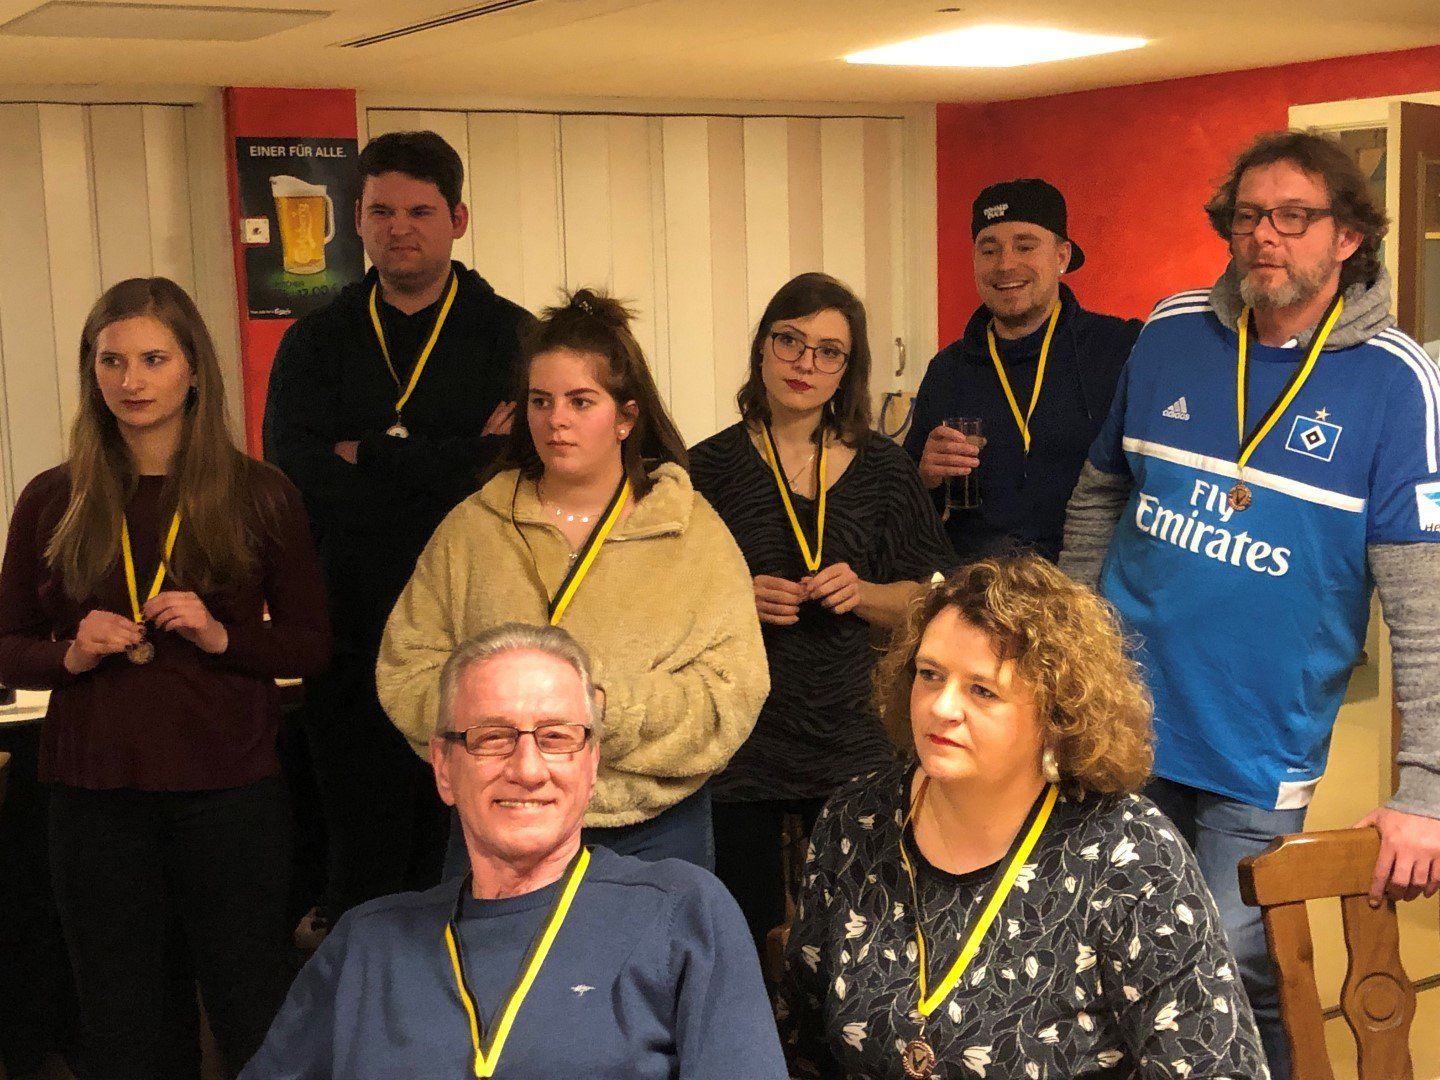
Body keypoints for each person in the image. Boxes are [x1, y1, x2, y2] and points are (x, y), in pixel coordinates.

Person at [1060, 129, 1440, 1078]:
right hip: (1122, 720)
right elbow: (1100, 492)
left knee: (1236, 968)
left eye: (1293, 216)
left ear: (1348, 236)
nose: (1265, 235)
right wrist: (1066, 661)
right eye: (1248, 216)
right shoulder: (1171, 330)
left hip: (1257, 747)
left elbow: (1424, 606)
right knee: (1107, 955)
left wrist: (1426, 789)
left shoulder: (1395, 380)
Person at [0, 277, 330, 1079]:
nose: (132, 381)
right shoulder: (53, 497)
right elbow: (7, 647)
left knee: (249, 1004)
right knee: (125, 1020)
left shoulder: (259, 493)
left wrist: (223, 636)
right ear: (91, 371)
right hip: (94, 796)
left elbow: (310, 646)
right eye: (111, 360)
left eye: (153, 359)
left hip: (229, 792)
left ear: (193, 369)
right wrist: (70, 655)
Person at [776, 558, 1267, 1079]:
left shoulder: (1129, 855)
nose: (941, 707)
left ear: (1056, 715)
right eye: (929, 675)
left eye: (982, 690)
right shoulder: (857, 820)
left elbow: (1217, 1067)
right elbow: (800, 1046)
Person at [244, 624, 787, 1079]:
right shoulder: (364, 944)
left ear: (591, 765)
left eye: (556, 737)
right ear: (443, 768)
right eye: (492, 737)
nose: (527, 770)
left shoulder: (681, 912)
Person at [377, 289, 767, 870]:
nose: (556, 420)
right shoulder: (473, 529)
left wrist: (607, 709)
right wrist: (500, 730)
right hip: (501, 819)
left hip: (652, 829)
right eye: (541, 401)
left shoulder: (692, 535)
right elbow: (406, 667)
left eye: (581, 401)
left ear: (626, 418)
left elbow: (734, 691)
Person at [263, 130, 533, 942]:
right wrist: (453, 463)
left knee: (476, 847)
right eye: (381, 211)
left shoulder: (513, 338)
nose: (398, 228)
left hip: (481, 629)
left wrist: (373, 455)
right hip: (352, 629)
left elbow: (515, 474)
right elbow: (297, 472)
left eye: (419, 211)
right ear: (356, 219)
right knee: (363, 856)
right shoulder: (315, 341)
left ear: (458, 219)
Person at [689, 272, 954, 949]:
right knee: (740, 936)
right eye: (790, 340)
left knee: (857, 936)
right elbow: (669, 605)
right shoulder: (703, 469)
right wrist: (734, 599)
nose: (805, 363)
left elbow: (932, 600)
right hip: (740, 736)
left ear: (848, 368)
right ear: (762, 347)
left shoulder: (884, 469)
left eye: (828, 351)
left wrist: (862, 593)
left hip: (851, 735)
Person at [905, 178, 1141, 562]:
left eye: (1025, 246)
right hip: (975, 584)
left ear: (1062, 256)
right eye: (989, 249)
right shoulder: (947, 369)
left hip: (1082, 583)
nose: (1005, 264)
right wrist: (925, 478)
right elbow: (907, 513)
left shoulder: (1121, 349)